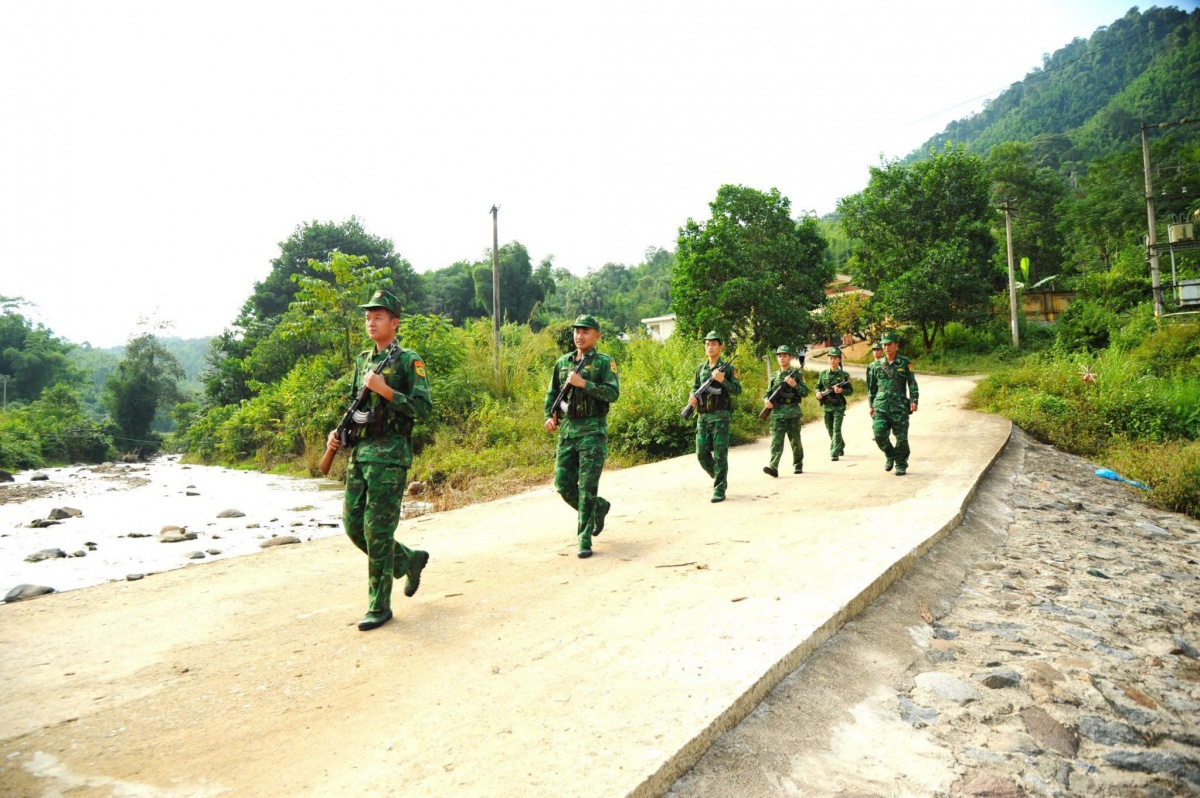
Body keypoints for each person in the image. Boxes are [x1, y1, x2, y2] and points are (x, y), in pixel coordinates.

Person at [326, 289, 433, 632]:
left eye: (378, 317)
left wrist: (387, 390)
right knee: (354, 526)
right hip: (360, 454)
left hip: (390, 455)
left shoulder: (408, 360)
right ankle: (409, 559)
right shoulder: (362, 360)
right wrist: (337, 434)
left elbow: (423, 409)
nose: (371, 322)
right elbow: (355, 407)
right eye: (368, 317)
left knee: (378, 530)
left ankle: (379, 606)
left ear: (394, 322)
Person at [544, 315, 620, 559]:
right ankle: (598, 508)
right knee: (563, 484)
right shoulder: (563, 362)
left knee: (587, 487)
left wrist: (583, 384)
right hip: (567, 432)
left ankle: (584, 538)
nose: (579, 335)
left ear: (597, 335)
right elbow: (552, 393)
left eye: (585, 331)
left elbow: (612, 394)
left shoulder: (604, 363)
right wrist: (549, 415)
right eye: (577, 331)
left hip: (592, 432)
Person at [688, 331, 742, 502]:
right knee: (701, 454)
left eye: (713, 344)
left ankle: (719, 488)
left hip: (720, 416)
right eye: (707, 344)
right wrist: (692, 396)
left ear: (721, 347)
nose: (710, 347)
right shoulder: (700, 368)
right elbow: (695, 387)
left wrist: (722, 380)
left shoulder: (729, 368)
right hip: (703, 417)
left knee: (720, 454)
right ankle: (720, 478)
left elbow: (737, 390)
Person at [869, 331, 919, 476]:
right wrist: (871, 406)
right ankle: (890, 455)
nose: (886, 347)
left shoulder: (905, 362)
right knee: (879, 435)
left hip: (899, 406)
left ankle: (901, 464)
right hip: (881, 406)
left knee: (901, 438)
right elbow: (872, 388)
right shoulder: (876, 365)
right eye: (884, 345)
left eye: (889, 344)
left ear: (896, 345)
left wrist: (914, 400)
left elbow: (912, 383)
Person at [762, 345, 809, 477]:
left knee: (795, 441)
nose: (782, 358)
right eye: (779, 356)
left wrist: (795, 385)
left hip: (792, 412)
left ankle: (798, 463)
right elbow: (767, 393)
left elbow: (805, 392)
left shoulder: (797, 374)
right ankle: (773, 466)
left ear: (791, 357)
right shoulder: (774, 376)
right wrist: (766, 401)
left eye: (785, 356)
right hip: (777, 414)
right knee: (776, 442)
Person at [815, 347, 853, 461]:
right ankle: (840, 444)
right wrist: (818, 393)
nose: (833, 360)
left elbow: (850, 391)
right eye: (831, 358)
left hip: (839, 406)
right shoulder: (823, 374)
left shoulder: (844, 375)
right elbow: (817, 386)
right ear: (828, 359)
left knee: (836, 429)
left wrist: (841, 391)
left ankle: (834, 451)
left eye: (835, 358)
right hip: (826, 406)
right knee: (830, 429)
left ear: (839, 360)